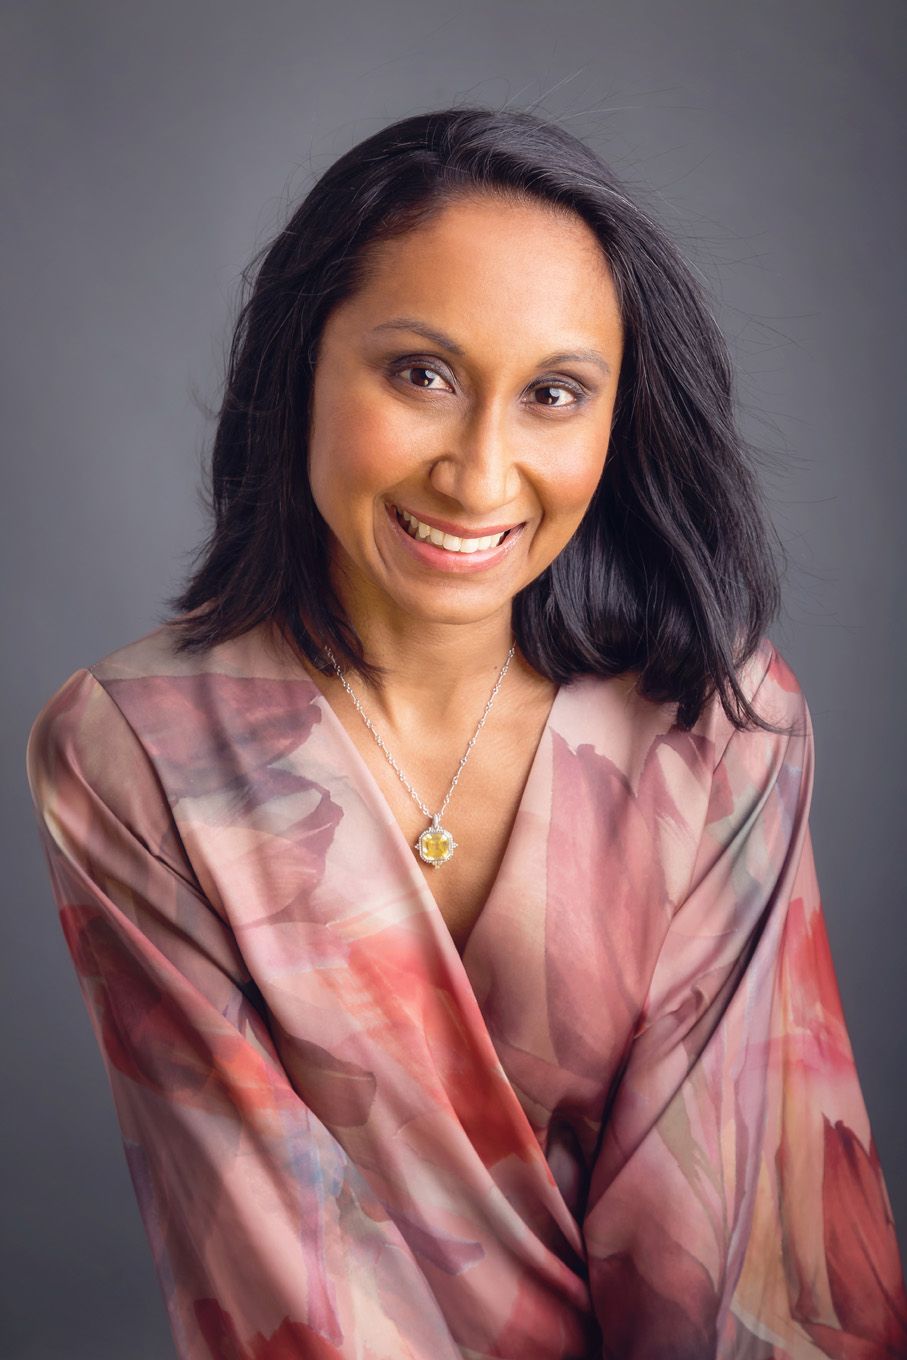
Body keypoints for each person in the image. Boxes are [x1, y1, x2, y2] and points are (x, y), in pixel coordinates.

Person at [25, 106, 906, 1360]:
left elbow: (746, 1257)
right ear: (300, 366)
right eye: (420, 374)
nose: (481, 474)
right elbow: (280, 1266)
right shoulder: (135, 757)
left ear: (613, 420)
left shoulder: (720, 728)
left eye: (553, 393)